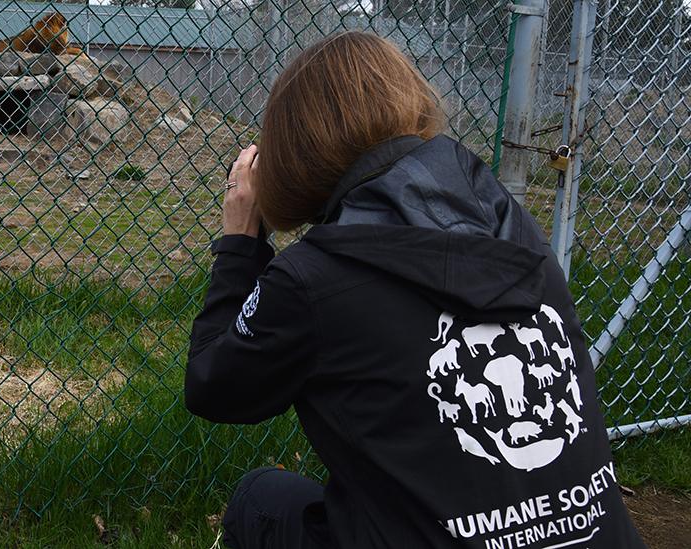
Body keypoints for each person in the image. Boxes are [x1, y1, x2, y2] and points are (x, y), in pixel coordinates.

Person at [185, 31, 646, 549]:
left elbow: (213, 385)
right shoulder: (516, 230)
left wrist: (240, 243)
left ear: (297, 152)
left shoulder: (313, 280)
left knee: (260, 500)